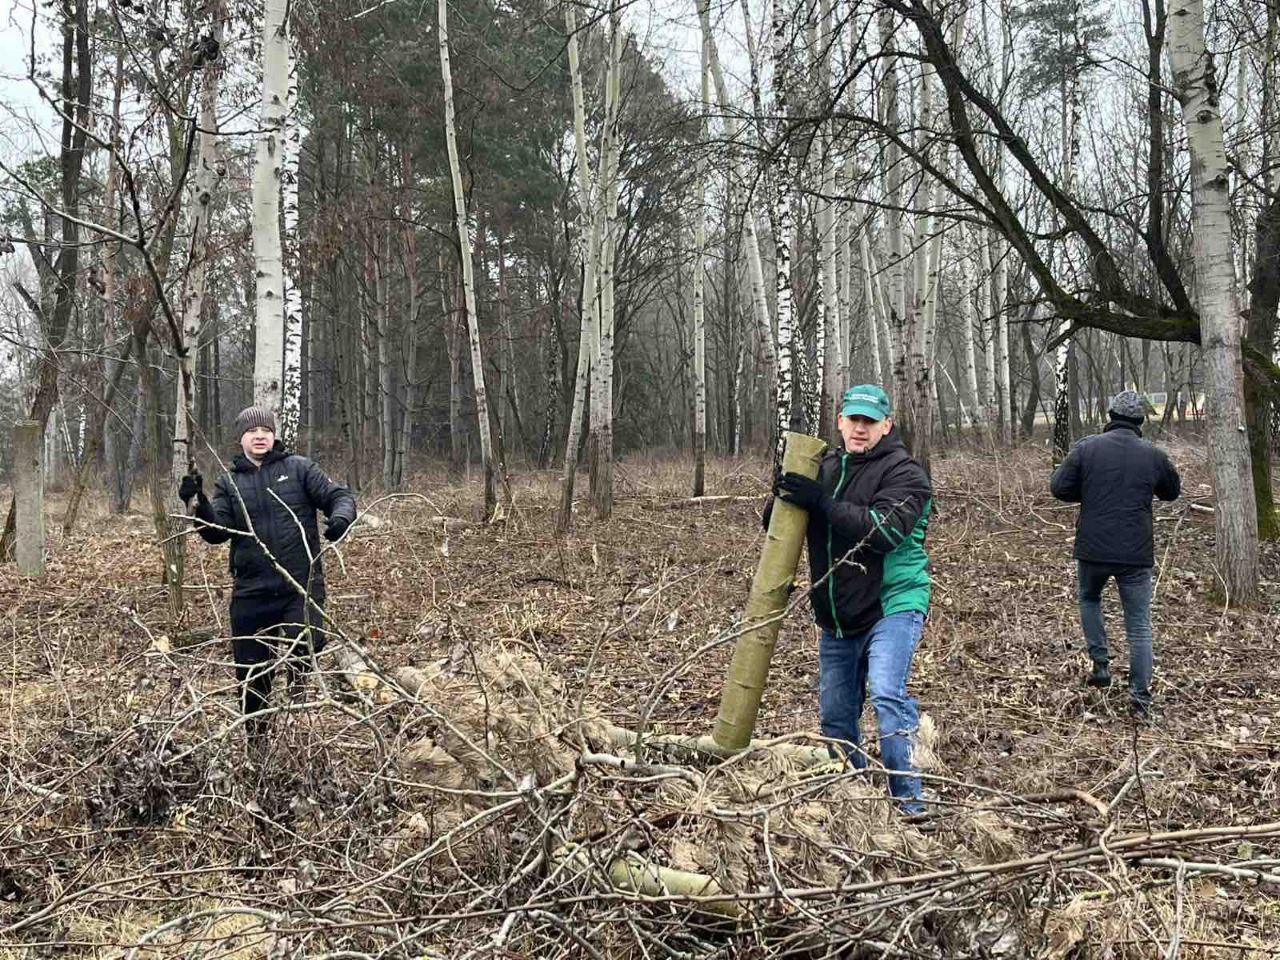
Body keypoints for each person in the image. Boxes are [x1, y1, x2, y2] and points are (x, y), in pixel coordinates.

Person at [769, 385, 933, 815]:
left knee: (886, 693)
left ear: (886, 426)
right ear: (840, 422)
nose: (860, 428)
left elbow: (884, 531)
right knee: (836, 717)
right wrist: (782, 498)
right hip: (838, 614)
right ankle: (857, 803)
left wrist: (820, 503)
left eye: (869, 421)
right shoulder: (824, 467)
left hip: (893, 602)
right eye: (853, 420)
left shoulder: (906, 473)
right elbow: (780, 529)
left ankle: (910, 804)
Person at [179, 406, 357, 737]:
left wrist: (341, 519)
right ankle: (258, 744)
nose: (259, 436)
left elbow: (338, 496)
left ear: (274, 435)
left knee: (306, 644)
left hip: (300, 586)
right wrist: (198, 504)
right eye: (252, 431)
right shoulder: (229, 483)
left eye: (265, 430)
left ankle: (297, 703)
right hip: (252, 592)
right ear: (241, 438)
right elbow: (217, 533)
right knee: (252, 678)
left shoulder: (300, 468)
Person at [1050, 389, 1181, 718]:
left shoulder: (1086, 448)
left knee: (1089, 598)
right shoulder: (1153, 455)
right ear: (1140, 421)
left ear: (1110, 416)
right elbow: (1172, 492)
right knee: (1139, 626)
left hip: (1093, 548)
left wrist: (1090, 492)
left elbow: (1059, 488)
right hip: (1136, 554)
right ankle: (1140, 701)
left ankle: (1100, 664)